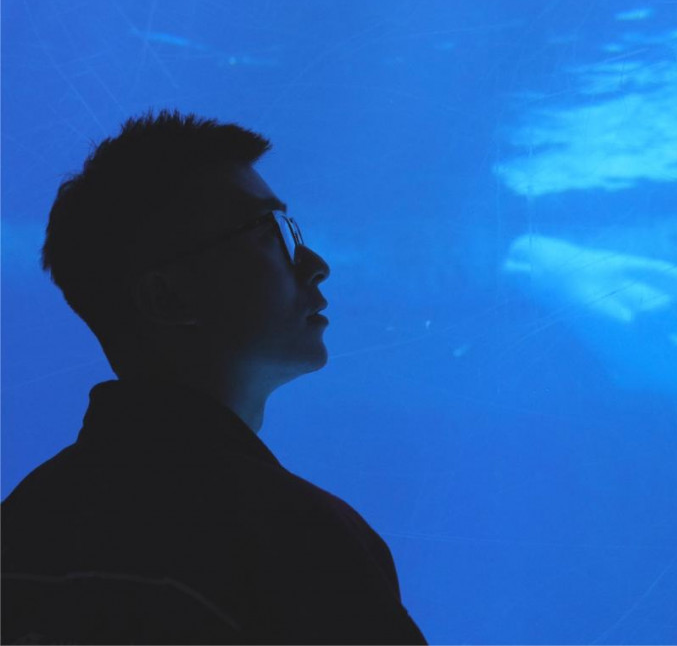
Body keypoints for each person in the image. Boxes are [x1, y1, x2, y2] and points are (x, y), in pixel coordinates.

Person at [1, 109, 427, 645]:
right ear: (167, 297)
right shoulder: (295, 544)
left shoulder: (24, 523)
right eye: (268, 232)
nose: (315, 263)